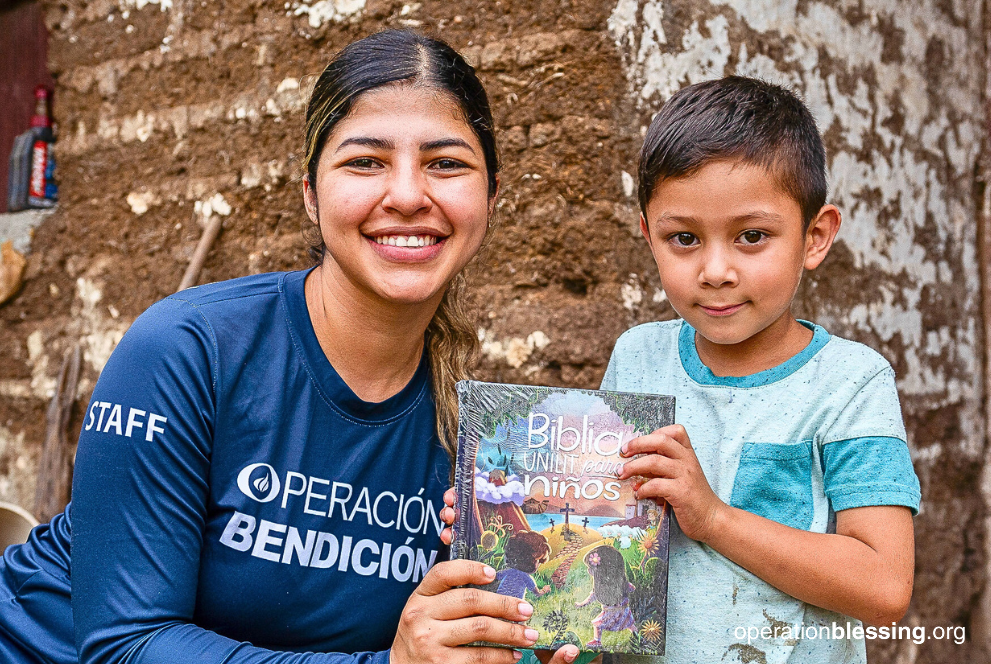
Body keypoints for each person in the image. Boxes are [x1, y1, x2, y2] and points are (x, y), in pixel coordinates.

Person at [0, 30, 579, 664]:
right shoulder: (188, 351)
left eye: (446, 163)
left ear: (492, 196)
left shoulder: (479, 444)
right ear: (310, 192)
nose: (410, 196)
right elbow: (123, 647)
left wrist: (521, 639)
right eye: (365, 162)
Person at [603, 76, 921, 662]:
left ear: (814, 237)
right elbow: (607, 525)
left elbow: (884, 587)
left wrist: (713, 518)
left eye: (752, 236)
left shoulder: (850, 383)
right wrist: (508, 502)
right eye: (684, 238)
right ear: (649, 237)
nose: (716, 269)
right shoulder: (638, 358)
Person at [575, 546, 637, 648]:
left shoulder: (600, 588)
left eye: (591, 568)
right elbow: (632, 588)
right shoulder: (621, 583)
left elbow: (591, 598)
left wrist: (581, 604)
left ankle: (597, 641)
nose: (588, 571)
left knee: (597, 625)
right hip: (624, 610)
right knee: (630, 625)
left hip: (609, 613)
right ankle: (639, 638)